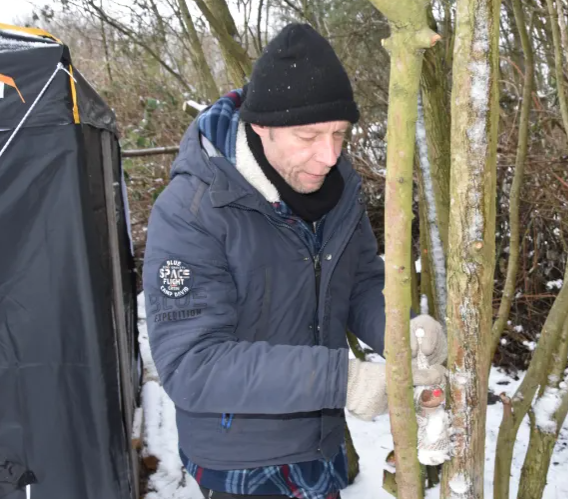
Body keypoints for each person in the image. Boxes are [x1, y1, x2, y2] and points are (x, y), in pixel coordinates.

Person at [142, 23, 449, 499]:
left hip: (320, 441)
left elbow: (360, 282)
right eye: (308, 136)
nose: (328, 155)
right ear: (259, 126)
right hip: (241, 456)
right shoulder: (192, 210)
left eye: (339, 134)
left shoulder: (338, 189)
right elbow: (191, 363)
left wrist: (403, 331)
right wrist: (342, 380)